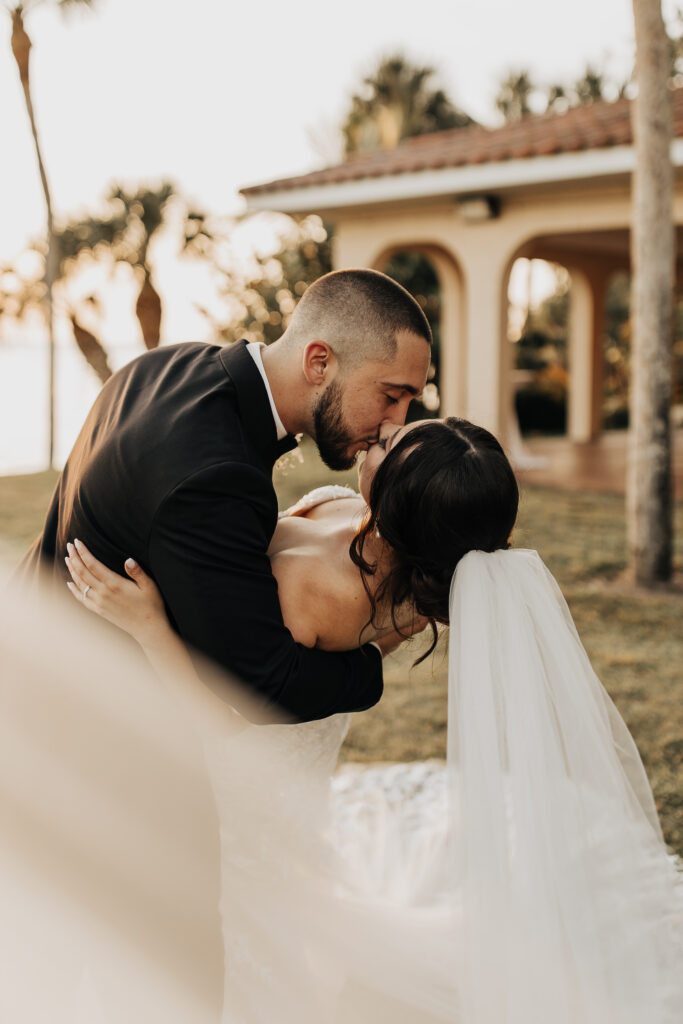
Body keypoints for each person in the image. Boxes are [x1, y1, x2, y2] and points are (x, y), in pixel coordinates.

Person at [63, 415, 683, 1023]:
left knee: (244, 912)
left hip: (250, 761)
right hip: (293, 753)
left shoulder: (330, 598)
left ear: (397, 504)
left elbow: (222, 717)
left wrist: (147, 625)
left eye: (388, 443)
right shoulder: (355, 516)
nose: (378, 432)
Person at [18, 268, 432, 723]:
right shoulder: (217, 481)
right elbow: (267, 685)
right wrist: (377, 653)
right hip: (76, 723)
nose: (396, 421)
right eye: (392, 395)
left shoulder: (166, 363)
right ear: (319, 362)